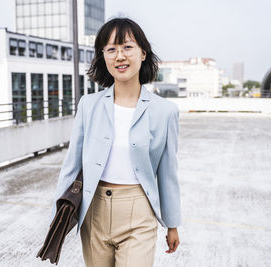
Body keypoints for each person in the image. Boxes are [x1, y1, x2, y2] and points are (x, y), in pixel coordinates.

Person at [50, 17, 181, 267]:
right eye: (111, 49)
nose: (120, 56)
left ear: (143, 53)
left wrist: (172, 224)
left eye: (127, 47)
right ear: (103, 57)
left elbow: (168, 174)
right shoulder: (88, 106)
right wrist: (58, 216)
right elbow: (71, 163)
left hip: (139, 212)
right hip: (94, 211)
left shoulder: (165, 111)